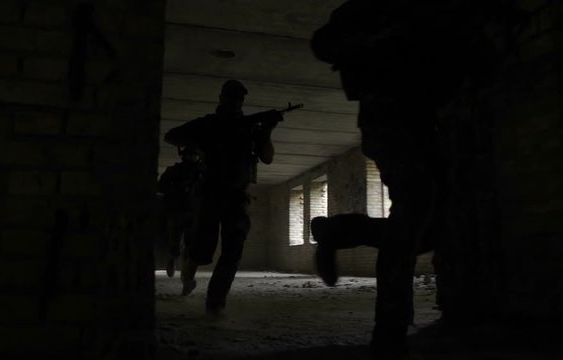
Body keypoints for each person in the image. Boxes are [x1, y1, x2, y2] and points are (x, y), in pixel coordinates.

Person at [309, 1, 495, 359]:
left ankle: (339, 232)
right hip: (389, 123)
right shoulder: (371, 12)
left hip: (426, 126)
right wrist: (387, 30)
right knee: (414, 211)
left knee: (428, 231)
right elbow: (324, 43)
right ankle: (389, 331)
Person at [163, 80, 280, 319]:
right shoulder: (208, 124)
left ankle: (215, 304)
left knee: (233, 251)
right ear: (221, 98)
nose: (234, 102)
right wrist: (204, 140)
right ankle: (188, 274)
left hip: (237, 196)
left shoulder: (249, 128)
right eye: (230, 97)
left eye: (238, 98)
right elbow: (171, 136)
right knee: (201, 249)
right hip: (209, 195)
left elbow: (267, 157)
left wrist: (266, 131)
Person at [157, 146, 203, 278]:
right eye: (190, 154)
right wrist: (178, 188)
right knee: (176, 242)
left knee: (191, 244)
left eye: (195, 155)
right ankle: (173, 258)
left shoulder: (201, 171)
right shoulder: (174, 171)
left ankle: (186, 273)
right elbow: (161, 186)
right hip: (177, 210)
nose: (193, 157)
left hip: (194, 211)